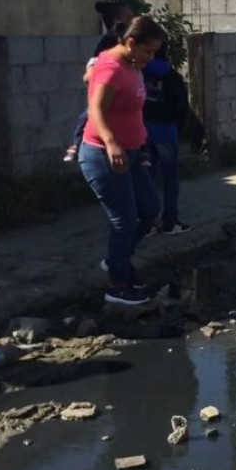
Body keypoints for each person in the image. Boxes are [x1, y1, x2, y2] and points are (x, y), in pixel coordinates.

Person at [79, 16, 166, 305]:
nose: (151, 58)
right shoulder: (113, 68)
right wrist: (112, 143)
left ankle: (117, 259)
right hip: (104, 154)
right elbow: (95, 110)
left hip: (131, 152)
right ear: (131, 43)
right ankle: (117, 285)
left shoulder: (130, 64)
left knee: (150, 208)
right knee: (124, 220)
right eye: (148, 51)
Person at [64, 1, 135, 162]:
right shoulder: (111, 38)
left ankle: (141, 149)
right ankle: (76, 144)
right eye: (129, 17)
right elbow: (94, 60)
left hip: (118, 86)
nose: (133, 20)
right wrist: (90, 72)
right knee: (92, 111)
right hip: (104, 82)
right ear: (118, 19)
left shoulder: (127, 41)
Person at [142, 47, 191, 236]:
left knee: (147, 178)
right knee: (170, 179)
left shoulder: (141, 74)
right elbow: (182, 107)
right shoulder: (172, 77)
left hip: (144, 132)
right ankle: (169, 222)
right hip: (167, 132)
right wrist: (176, 128)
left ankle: (147, 224)